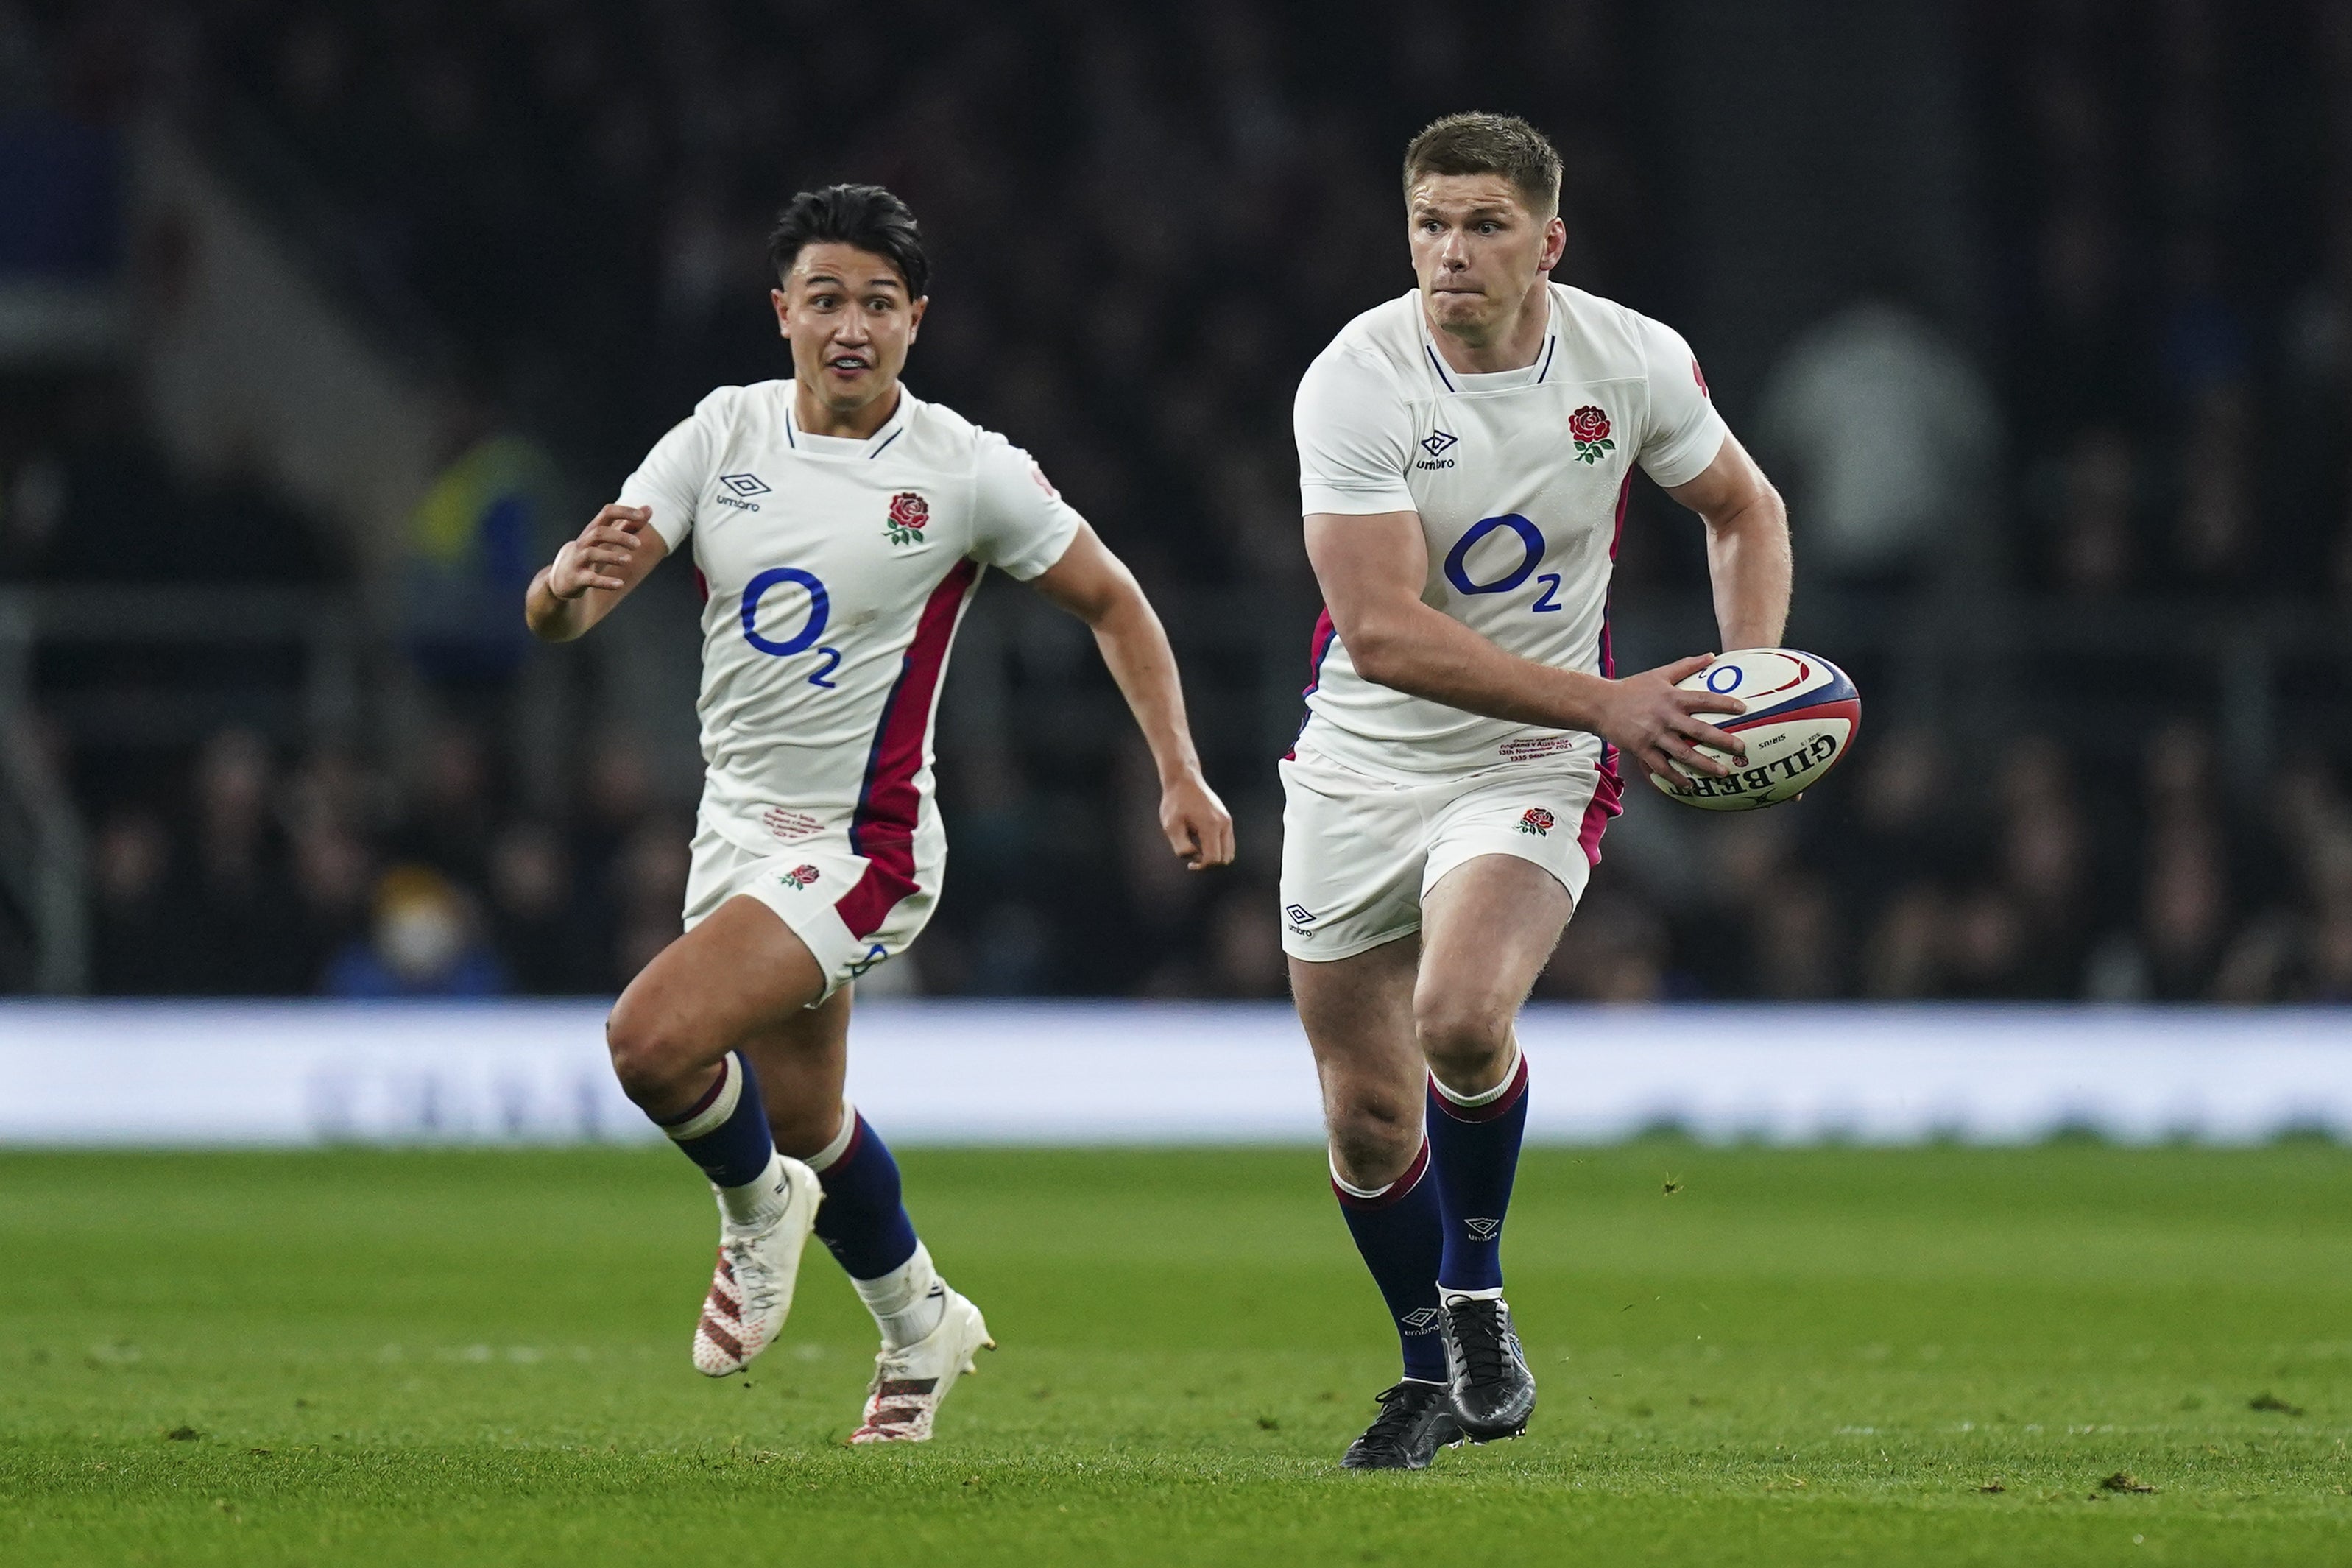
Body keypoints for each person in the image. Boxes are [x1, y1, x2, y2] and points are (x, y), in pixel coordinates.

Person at [524, 184, 1233, 1444]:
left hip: (862, 845)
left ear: (916, 321)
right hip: (735, 831)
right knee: (805, 1120)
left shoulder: (966, 470)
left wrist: (1178, 768)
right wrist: (554, 591)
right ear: (782, 309)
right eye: (827, 298)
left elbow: (1118, 601)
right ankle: (922, 1324)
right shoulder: (719, 435)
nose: (851, 324)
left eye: (879, 303)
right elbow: (584, 599)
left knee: (652, 1044)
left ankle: (754, 1221)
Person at [1284, 114, 1789, 1469]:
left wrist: (1746, 683)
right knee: (1365, 1112)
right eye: (1431, 224)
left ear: (1547, 241)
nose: (1452, 251)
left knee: (1460, 1013)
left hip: (1531, 758)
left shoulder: (1629, 360)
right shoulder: (1355, 380)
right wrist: (1615, 702)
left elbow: (1743, 508)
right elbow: (1382, 633)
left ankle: (1476, 1293)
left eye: (1486, 224)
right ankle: (1422, 1364)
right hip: (1364, 754)